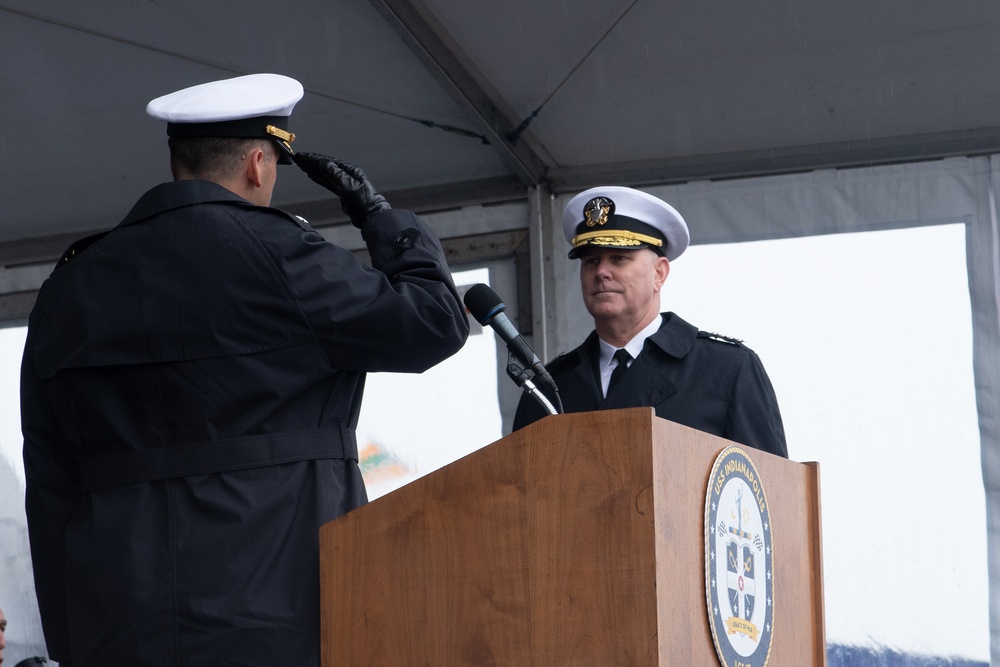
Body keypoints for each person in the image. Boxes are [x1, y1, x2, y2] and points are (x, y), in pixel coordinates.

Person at [21, 73, 469, 665]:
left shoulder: (68, 286)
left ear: (178, 159)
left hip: (117, 623)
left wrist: (74, 640)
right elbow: (435, 322)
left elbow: (49, 479)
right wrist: (379, 216)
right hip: (276, 617)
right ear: (258, 164)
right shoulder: (281, 256)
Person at [512, 186, 787, 458]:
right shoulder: (548, 388)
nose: (601, 272)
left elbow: (766, 491)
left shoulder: (726, 369)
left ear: (659, 274)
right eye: (591, 261)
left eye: (619, 258)